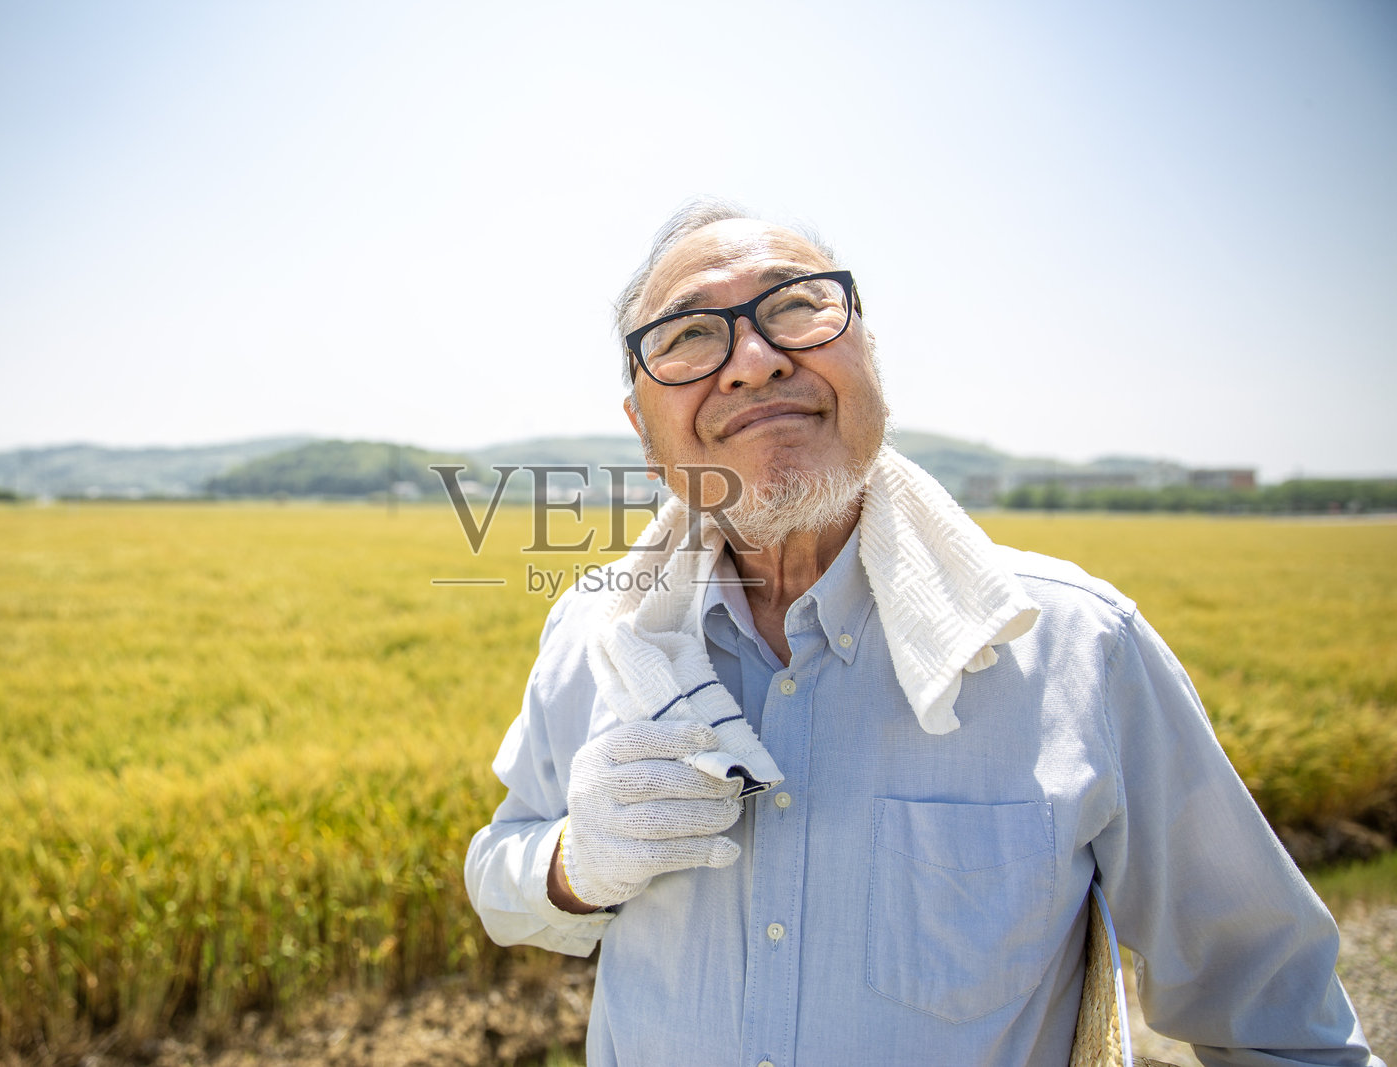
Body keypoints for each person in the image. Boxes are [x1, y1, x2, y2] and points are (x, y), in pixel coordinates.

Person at [463, 199, 1380, 1066]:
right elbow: (499, 871)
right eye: (689, 336)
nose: (751, 360)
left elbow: (1273, 1012)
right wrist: (572, 862)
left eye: (796, 308)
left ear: (868, 355)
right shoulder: (596, 631)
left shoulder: (1076, 647)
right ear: (644, 433)